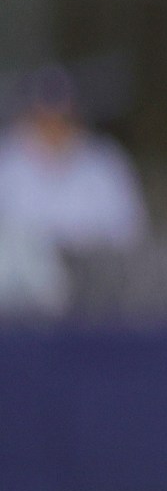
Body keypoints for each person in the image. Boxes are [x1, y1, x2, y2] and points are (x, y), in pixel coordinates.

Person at [0, 67, 145, 316]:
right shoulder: (8, 163)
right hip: (18, 303)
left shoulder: (105, 163)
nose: (54, 127)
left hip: (95, 295)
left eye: (62, 118)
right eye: (45, 118)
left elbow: (131, 235)